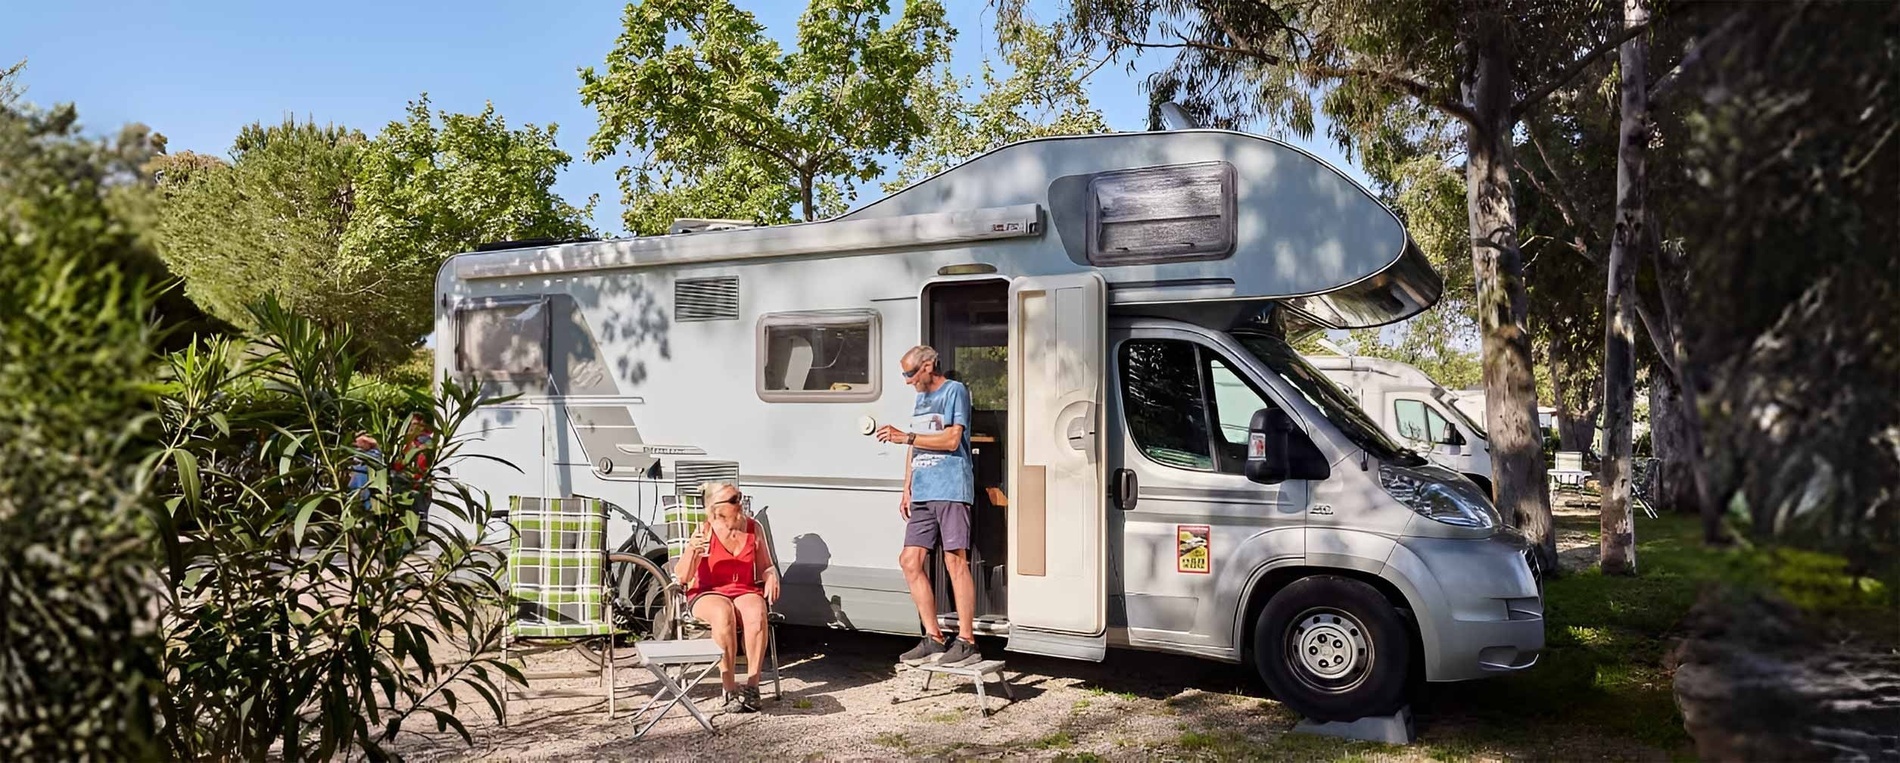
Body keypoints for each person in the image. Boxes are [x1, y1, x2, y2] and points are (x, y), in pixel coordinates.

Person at [874, 345, 980, 668]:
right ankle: (934, 637)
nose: (907, 381)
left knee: (954, 561)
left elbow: (951, 440)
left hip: (950, 488)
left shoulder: (954, 392)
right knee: (909, 561)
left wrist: (905, 437)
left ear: (929, 365)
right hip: (922, 491)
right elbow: (916, 443)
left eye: (910, 373)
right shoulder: (920, 399)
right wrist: (906, 485)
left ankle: (967, 641)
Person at [675, 481, 781, 713]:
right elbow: (682, 577)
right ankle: (729, 687)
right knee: (723, 612)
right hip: (707, 592)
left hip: (743, 588)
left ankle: (752, 686)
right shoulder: (704, 531)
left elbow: (766, 566)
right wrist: (692, 550)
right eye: (734, 500)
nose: (740, 503)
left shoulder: (754, 528)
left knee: (757, 612)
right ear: (716, 508)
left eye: (740, 497)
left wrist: (771, 574)